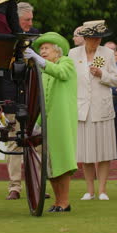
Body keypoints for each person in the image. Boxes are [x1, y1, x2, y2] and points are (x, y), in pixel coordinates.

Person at [23, 32, 78, 212]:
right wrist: (36, 123)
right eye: (41, 49)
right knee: (51, 163)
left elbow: (61, 73)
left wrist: (40, 60)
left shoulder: (66, 62)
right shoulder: (44, 70)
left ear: (57, 51)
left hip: (62, 120)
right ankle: (57, 201)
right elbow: (41, 101)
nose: (43, 51)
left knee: (62, 161)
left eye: (46, 48)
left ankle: (65, 201)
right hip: (48, 121)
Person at [69, 20, 117, 201]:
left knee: (104, 151)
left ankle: (102, 190)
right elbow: (70, 79)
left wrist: (103, 75)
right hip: (82, 108)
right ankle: (89, 190)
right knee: (86, 152)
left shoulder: (107, 53)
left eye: (99, 38)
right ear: (85, 38)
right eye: (93, 38)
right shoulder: (73, 53)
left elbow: (116, 80)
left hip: (102, 107)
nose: (97, 41)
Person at [5, 1, 39, 200]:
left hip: (33, 95)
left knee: (38, 143)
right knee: (13, 142)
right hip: (12, 95)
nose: (30, 23)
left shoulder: (35, 36)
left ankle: (36, 183)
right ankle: (15, 186)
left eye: (31, 19)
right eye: (27, 20)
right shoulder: (6, 37)